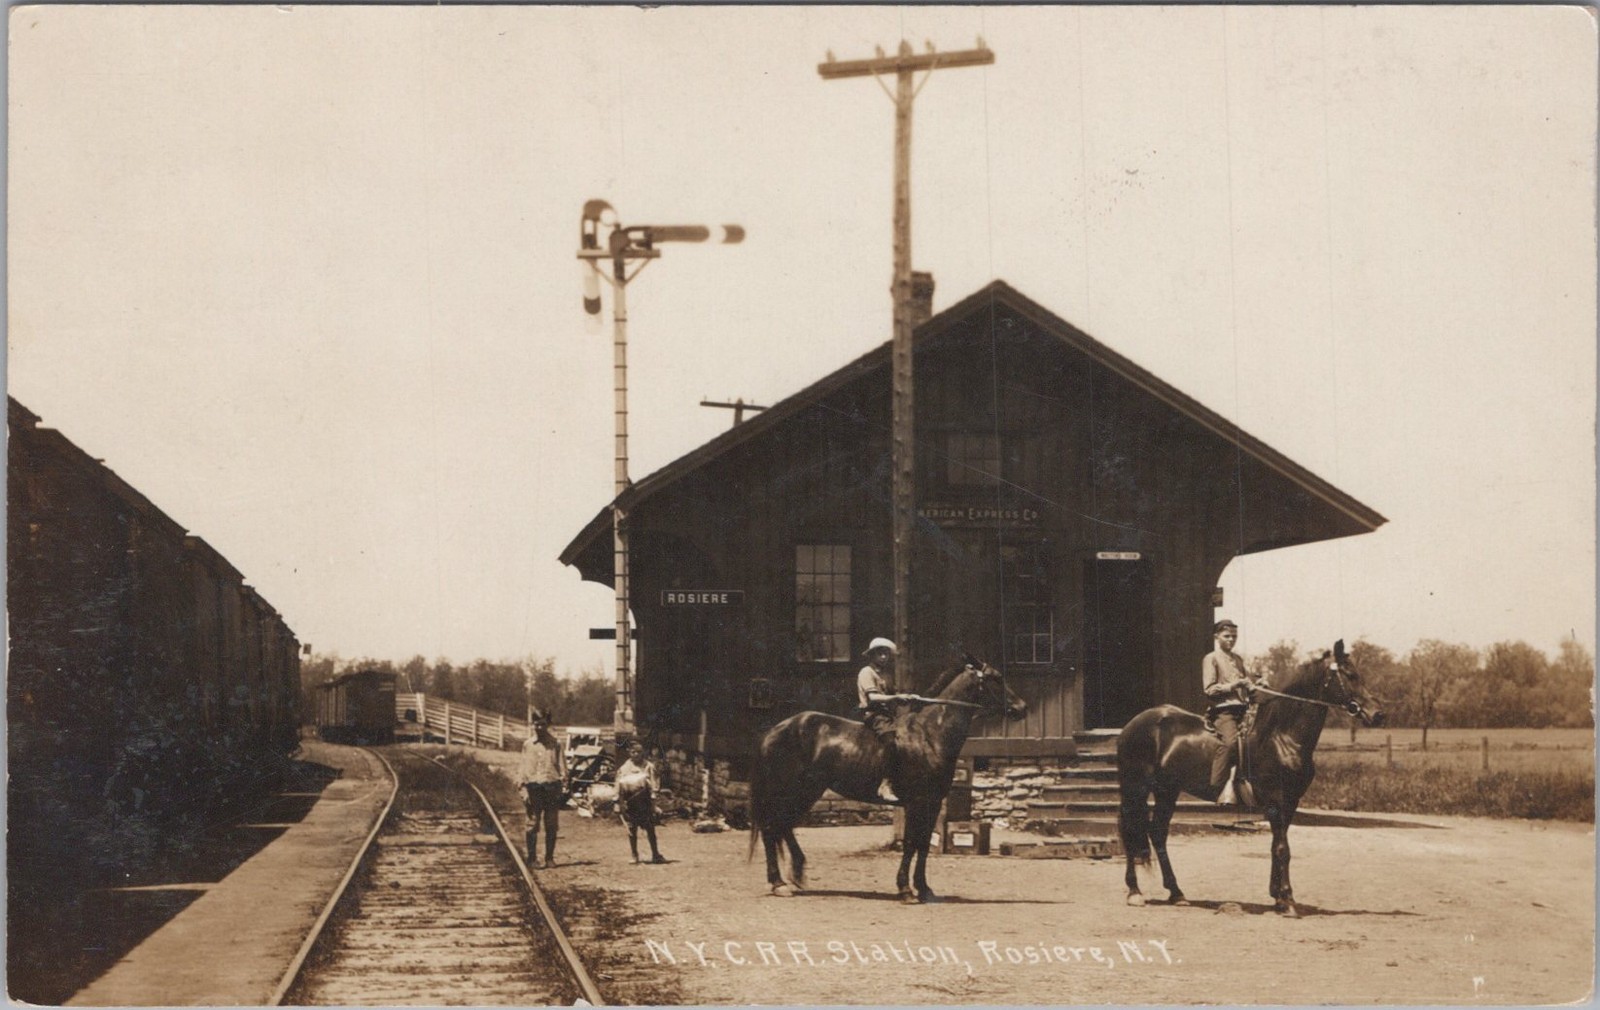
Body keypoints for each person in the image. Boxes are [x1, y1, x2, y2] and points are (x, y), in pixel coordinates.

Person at [1202, 620, 1259, 805]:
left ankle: (1249, 789)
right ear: (1216, 637)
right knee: (1230, 742)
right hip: (1223, 711)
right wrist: (1234, 685)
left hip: (1243, 711)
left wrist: (1256, 686)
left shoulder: (1238, 659)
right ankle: (1215, 788)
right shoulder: (1211, 658)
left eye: (1234, 636)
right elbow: (1209, 689)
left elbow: (1246, 684)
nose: (1231, 640)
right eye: (1227, 636)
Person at [857, 637, 910, 803]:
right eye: (880, 654)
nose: (884, 657)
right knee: (891, 742)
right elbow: (872, 697)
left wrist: (905, 699)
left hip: (887, 716)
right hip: (874, 714)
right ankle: (885, 784)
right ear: (872, 656)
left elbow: (891, 698)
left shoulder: (886, 676)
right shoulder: (866, 672)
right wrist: (896, 697)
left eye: (886, 654)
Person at [518, 708, 568, 868]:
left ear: (548, 724)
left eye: (543, 724)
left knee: (551, 824)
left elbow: (562, 767)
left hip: (551, 789)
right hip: (533, 790)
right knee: (532, 824)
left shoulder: (555, 744)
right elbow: (522, 769)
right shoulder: (528, 745)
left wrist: (564, 784)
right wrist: (523, 789)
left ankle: (549, 858)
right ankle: (532, 858)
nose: (539, 728)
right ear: (532, 724)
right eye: (536, 724)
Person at [615, 740, 667, 864]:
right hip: (631, 803)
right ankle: (634, 855)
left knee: (650, 829)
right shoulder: (624, 768)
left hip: (645, 802)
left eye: (639, 752)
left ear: (643, 752)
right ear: (629, 753)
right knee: (632, 830)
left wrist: (654, 804)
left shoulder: (648, 766)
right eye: (633, 752)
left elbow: (654, 785)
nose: (636, 754)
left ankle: (655, 854)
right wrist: (618, 803)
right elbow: (618, 787)